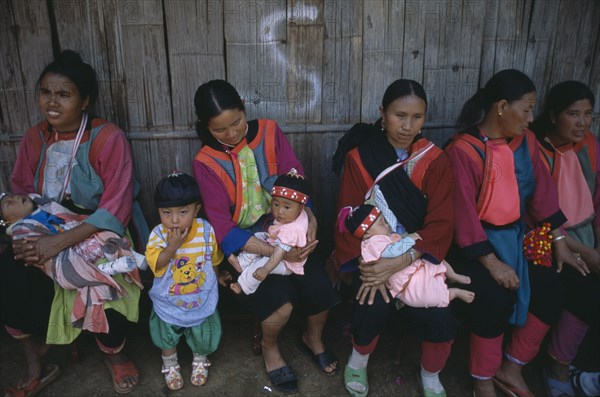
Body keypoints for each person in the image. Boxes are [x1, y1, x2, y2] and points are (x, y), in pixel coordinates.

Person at [1, 50, 148, 396]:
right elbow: (19, 194)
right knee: (10, 275)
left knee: (104, 280)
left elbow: (115, 206)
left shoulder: (107, 137)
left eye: (63, 94)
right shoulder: (35, 138)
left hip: (96, 230)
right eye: (45, 92)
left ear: (85, 101)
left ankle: (115, 354)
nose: (52, 102)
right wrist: (27, 237)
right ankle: (36, 357)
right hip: (42, 228)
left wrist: (60, 243)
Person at [192, 79, 340, 394]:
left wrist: (310, 216)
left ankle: (312, 338)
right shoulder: (205, 162)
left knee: (318, 285)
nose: (232, 134)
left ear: (245, 109)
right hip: (247, 247)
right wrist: (276, 253)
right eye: (220, 130)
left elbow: (296, 178)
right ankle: (271, 348)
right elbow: (221, 225)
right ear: (206, 128)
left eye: (236, 122)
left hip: (289, 230)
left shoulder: (270, 133)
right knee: (279, 303)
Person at [445, 69, 585, 397]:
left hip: (521, 236)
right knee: (493, 297)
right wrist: (492, 263)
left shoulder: (528, 141)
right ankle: (483, 378)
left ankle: (512, 368)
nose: (531, 117)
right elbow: (461, 215)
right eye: (526, 109)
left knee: (551, 287)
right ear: (502, 106)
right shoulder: (461, 151)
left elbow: (542, 196)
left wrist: (559, 241)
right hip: (475, 245)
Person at [332, 79, 457, 397]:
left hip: (416, 257)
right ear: (382, 113)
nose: (407, 125)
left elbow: (441, 224)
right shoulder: (360, 157)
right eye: (399, 115)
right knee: (369, 302)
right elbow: (347, 214)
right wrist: (369, 265)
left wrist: (401, 260)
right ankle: (358, 361)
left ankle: (431, 376)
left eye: (417, 117)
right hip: (372, 254)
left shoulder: (435, 161)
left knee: (441, 318)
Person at [529, 81, 600, 397]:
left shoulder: (590, 146)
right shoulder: (535, 150)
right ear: (554, 114)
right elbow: (532, 215)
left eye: (588, 114)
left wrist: (596, 246)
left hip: (586, 236)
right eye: (573, 114)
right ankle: (558, 366)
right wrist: (583, 251)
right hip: (544, 238)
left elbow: (597, 204)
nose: (582, 122)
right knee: (586, 286)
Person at [145, 172, 223, 390]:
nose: (175, 219)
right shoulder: (158, 235)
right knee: (166, 333)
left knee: (202, 332)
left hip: (200, 296)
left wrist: (218, 275)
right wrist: (172, 247)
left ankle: (200, 360)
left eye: (183, 212)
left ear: (196, 209)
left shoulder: (206, 230)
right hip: (168, 300)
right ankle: (170, 364)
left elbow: (212, 257)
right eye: (166, 212)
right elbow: (157, 264)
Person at [339, 204, 475, 307]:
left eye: (385, 221)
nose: (387, 225)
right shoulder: (373, 244)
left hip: (412, 266)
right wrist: (409, 239)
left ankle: (452, 275)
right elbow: (393, 251)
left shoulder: (382, 237)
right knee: (427, 297)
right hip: (406, 280)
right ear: (367, 233)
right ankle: (454, 293)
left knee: (436, 259)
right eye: (382, 223)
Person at [1, 192, 146, 277]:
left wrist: (64, 239)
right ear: (7, 222)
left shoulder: (43, 205)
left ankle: (130, 254)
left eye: (13, 195)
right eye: (9, 203)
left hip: (76, 232)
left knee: (105, 234)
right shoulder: (21, 229)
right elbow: (33, 249)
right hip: (61, 257)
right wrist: (29, 248)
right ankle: (105, 269)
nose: (16, 198)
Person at [230, 169, 311, 295]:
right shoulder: (297, 213)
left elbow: (279, 253)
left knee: (260, 264)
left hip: (287, 262)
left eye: (287, 207)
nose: (280, 211)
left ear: (301, 207)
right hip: (277, 242)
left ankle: (243, 285)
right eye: (276, 204)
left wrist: (265, 270)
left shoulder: (292, 230)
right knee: (257, 237)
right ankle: (241, 263)